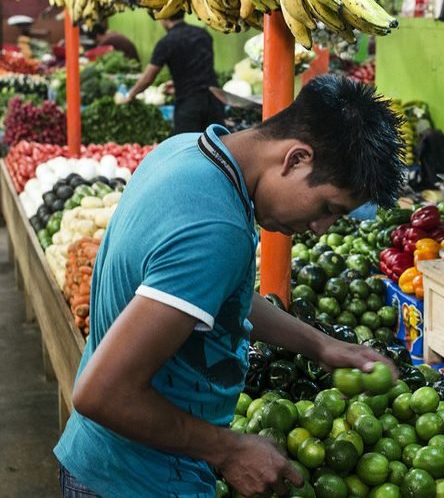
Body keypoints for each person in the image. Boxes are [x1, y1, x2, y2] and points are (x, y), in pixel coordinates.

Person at [54, 75, 407, 497]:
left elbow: (214, 296)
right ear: (295, 159)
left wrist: (321, 345)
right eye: (327, 207)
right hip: (135, 481)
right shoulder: (216, 229)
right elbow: (99, 393)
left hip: (106, 465)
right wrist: (230, 451)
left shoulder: (187, 152)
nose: (319, 227)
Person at [124, 10, 224, 135]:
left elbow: (148, 77)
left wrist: (131, 95)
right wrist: (178, 83)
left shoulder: (166, 42)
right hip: (214, 100)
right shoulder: (203, 34)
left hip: (190, 105)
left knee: (187, 147)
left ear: (163, 18)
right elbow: (200, 67)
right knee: (218, 145)